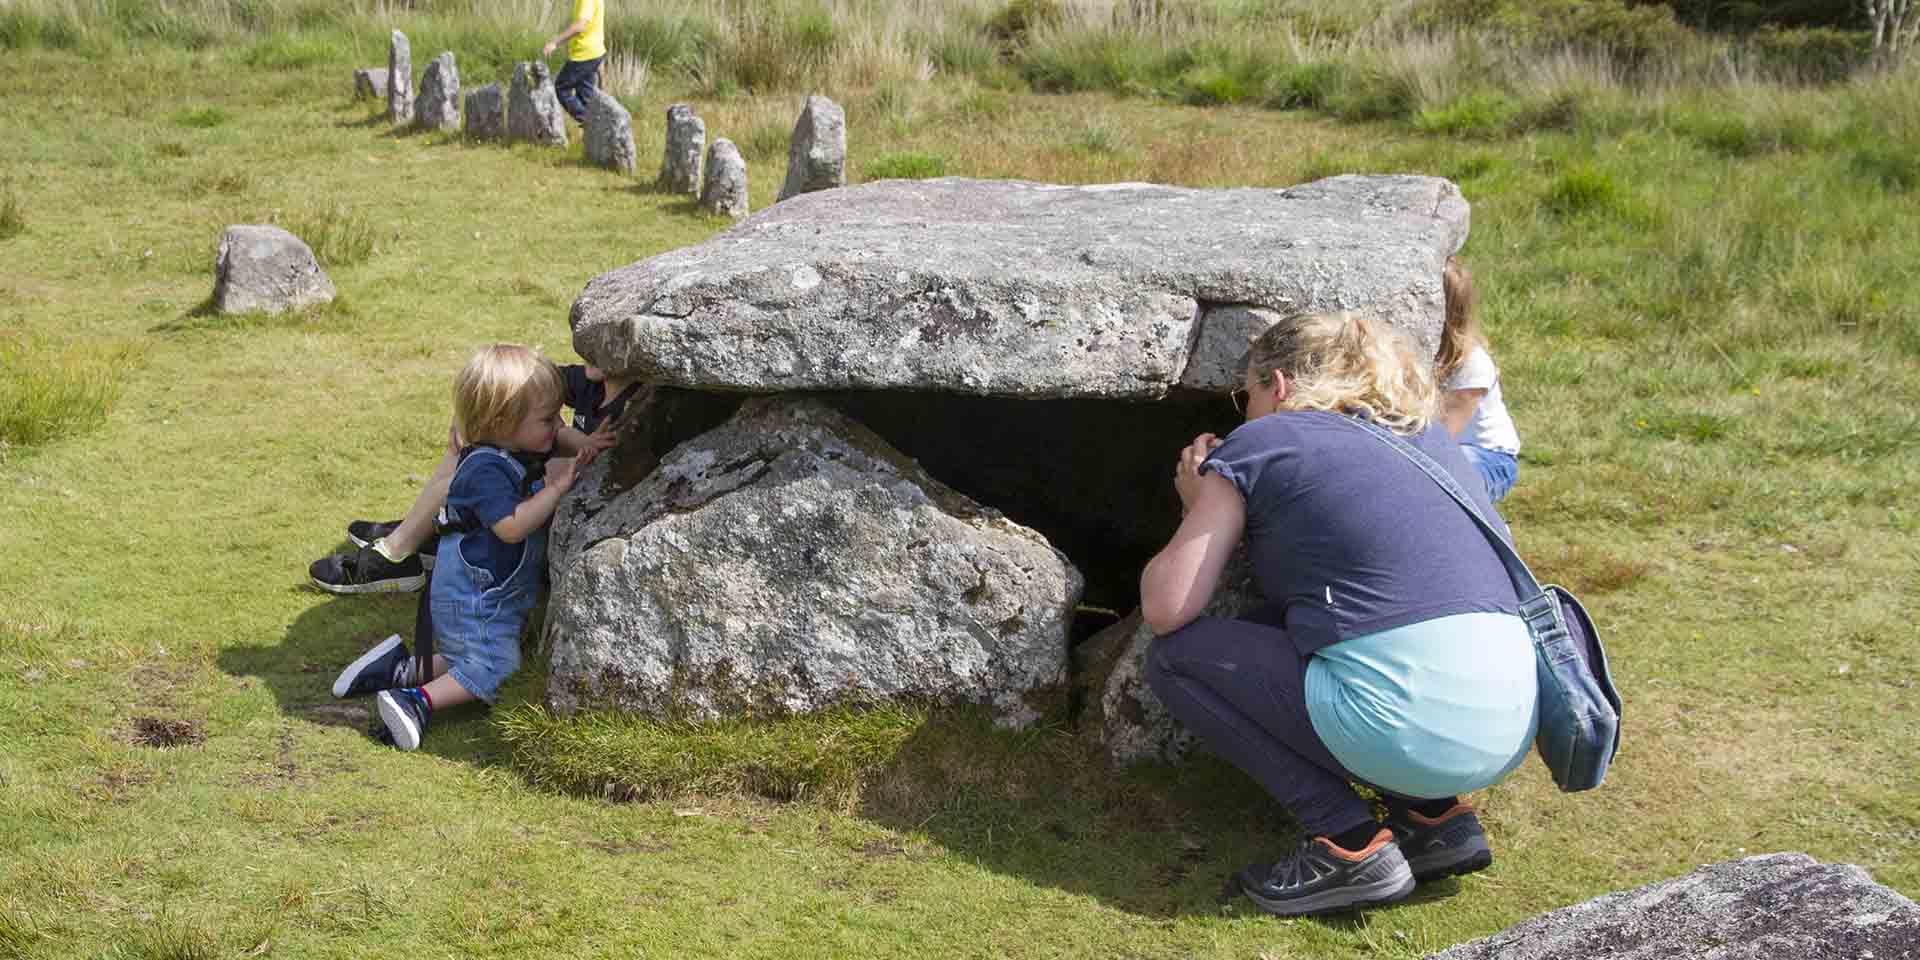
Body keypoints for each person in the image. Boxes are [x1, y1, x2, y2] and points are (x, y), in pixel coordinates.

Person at [1139, 311, 1537, 917]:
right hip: (1511, 725)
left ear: (1278, 385)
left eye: (1244, 395)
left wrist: (1198, 500)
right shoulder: (1427, 435)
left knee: (1178, 659)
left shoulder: (1262, 442)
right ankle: (1437, 819)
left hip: (1405, 725)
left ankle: (1348, 844)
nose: (1243, 411)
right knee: (1315, 628)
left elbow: (1168, 607)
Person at [328, 344, 598, 751]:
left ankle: (399, 668)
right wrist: (559, 487)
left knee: (472, 657)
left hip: (488, 595)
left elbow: (559, 436)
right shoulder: (484, 469)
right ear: (504, 422)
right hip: (472, 597)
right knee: (497, 668)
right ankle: (415, 700)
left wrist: (590, 444)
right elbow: (511, 527)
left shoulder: (516, 444)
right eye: (546, 418)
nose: (556, 426)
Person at [308, 364, 638, 594]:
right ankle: (423, 531)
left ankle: (397, 554)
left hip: (550, 499)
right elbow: (513, 381)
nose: (588, 349)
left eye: (601, 343)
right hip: (539, 481)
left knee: (470, 471)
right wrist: (473, 419)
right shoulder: (588, 381)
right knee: (472, 446)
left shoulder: (640, 402)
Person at [1435, 258, 1521, 502]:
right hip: (1448, 451)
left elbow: (1441, 436)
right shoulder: (1423, 348)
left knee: (1443, 485)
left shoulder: (1472, 365)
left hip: (1489, 458)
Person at [542, 0, 606, 125]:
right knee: (585, 96)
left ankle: (593, 124)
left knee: (562, 87)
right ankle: (596, 133)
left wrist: (555, 43)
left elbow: (580, 26)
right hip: (594, 53)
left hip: (584, 55)